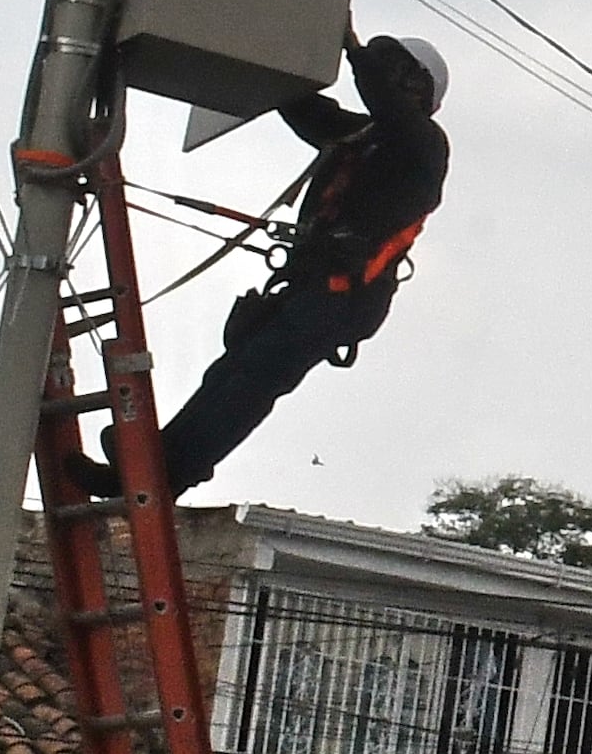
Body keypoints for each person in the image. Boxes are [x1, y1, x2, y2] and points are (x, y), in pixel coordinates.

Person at [138, 37, 451, 497]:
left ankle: (169, 473)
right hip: (313, 284)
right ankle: (155, 465)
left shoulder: (422, 143)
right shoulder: (363, 136)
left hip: (345, 294)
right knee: (232, 372)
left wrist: (349, 46)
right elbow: (306, 110)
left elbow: (385, 103)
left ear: (415, 86)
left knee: (253, 378)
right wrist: (275, 59)